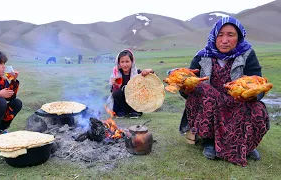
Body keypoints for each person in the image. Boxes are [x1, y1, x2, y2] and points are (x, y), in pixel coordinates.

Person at [171, 17, 269, 166]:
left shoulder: (247, 54)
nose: (224, 40)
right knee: (202, 89)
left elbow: (259, 81)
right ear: (214, 36)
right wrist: (184, 87)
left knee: (258, 109)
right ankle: (209, 141)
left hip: (237, 102)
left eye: (230, 35)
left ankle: (246, 146)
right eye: (220, 35)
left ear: (239, 37)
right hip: (209, 103)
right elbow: (188, 85)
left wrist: (253, 94)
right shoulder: (202, 56)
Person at [107, 49, 154, 119]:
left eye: (127, 61)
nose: (125, 64)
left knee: (137, 90)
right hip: (122, 103)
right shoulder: (116, 74)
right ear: (118, 63)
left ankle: (135, 111)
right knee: (116, 92)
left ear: (132, 62)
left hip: (135, 103)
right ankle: (122, 112)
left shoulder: (137, 73)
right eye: (122, 62)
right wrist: (114, 85)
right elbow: (112, 92)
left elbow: (152, 78)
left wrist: (149, 70)